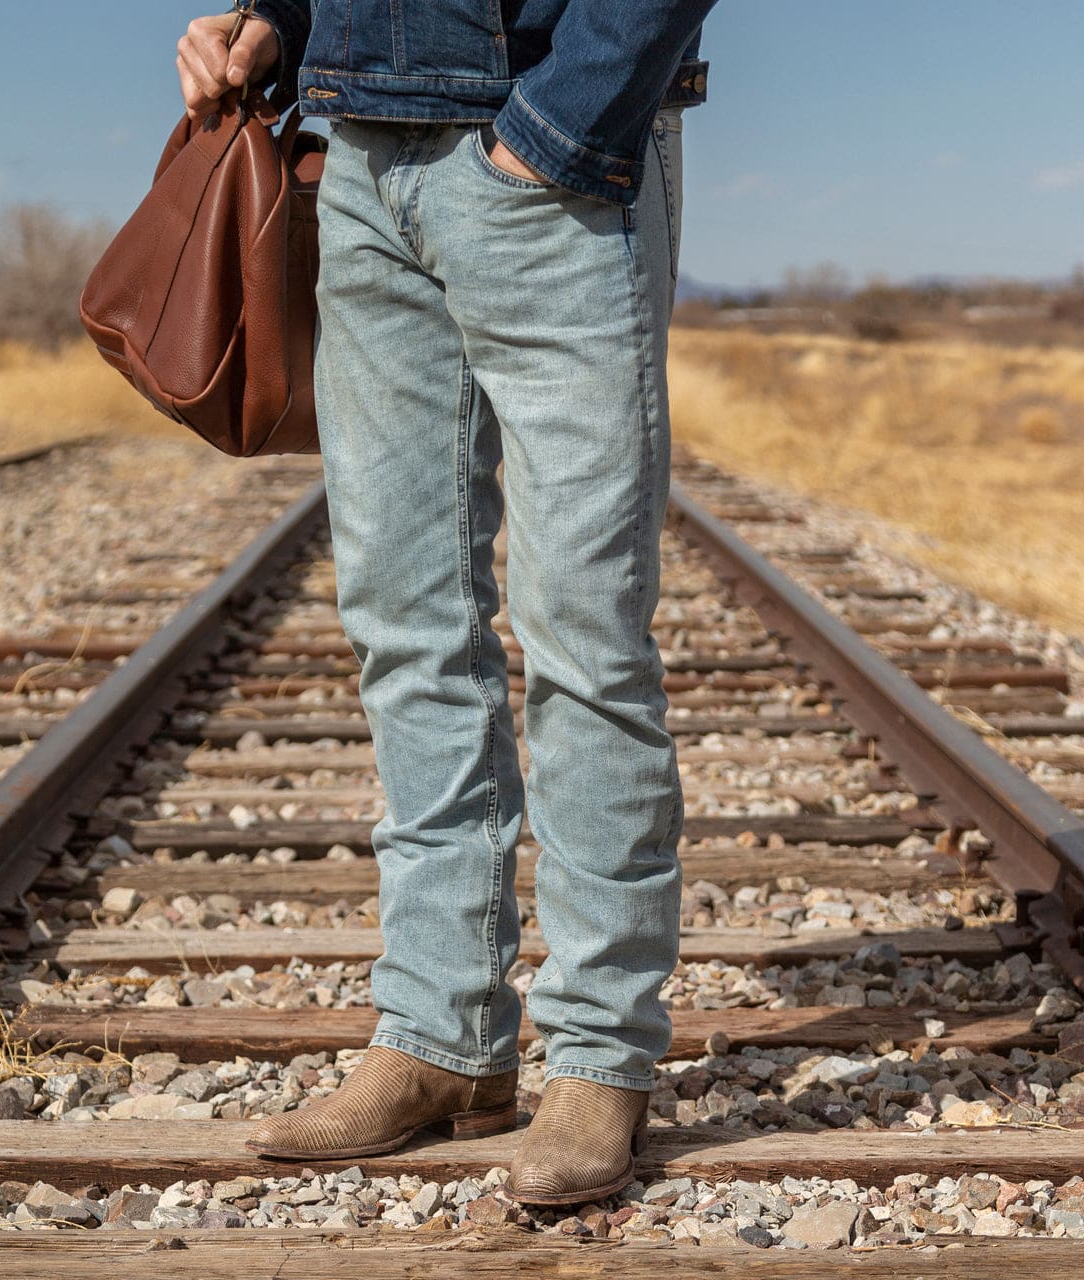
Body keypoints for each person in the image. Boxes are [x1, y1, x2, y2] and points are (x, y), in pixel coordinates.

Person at [176, 0, 718, 1206]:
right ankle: (438, 1035)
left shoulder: (559, 132)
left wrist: (564, 116)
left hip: (556, 150)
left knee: (581, 630)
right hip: (358, 150)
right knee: (405, 624)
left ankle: (595, 1055)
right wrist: (277, 21)